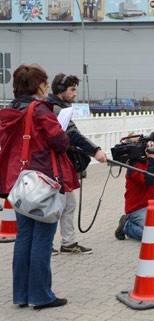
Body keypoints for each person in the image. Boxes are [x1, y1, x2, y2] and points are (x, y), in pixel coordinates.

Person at [9, 64, 79, 309]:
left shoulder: (12, 108)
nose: (48, 86)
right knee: (42, 239)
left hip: (22, 180)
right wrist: (64, 133)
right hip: (44, 181)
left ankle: (21, 295)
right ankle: (40, 296)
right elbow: (59, 141)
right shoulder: (40, 110)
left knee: (23, 237)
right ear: (37, 85)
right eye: (45, 82)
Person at [45, 73, 107, 255]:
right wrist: (95, 151)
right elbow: (72, 134)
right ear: (60, 90)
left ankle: (68, 242)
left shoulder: (61, 107)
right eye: (72, 89)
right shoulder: (55, 109)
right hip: (52, 167)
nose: (75, 93)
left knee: (68, 204)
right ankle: (46, 243)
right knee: (54, 205)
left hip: (61, 165)